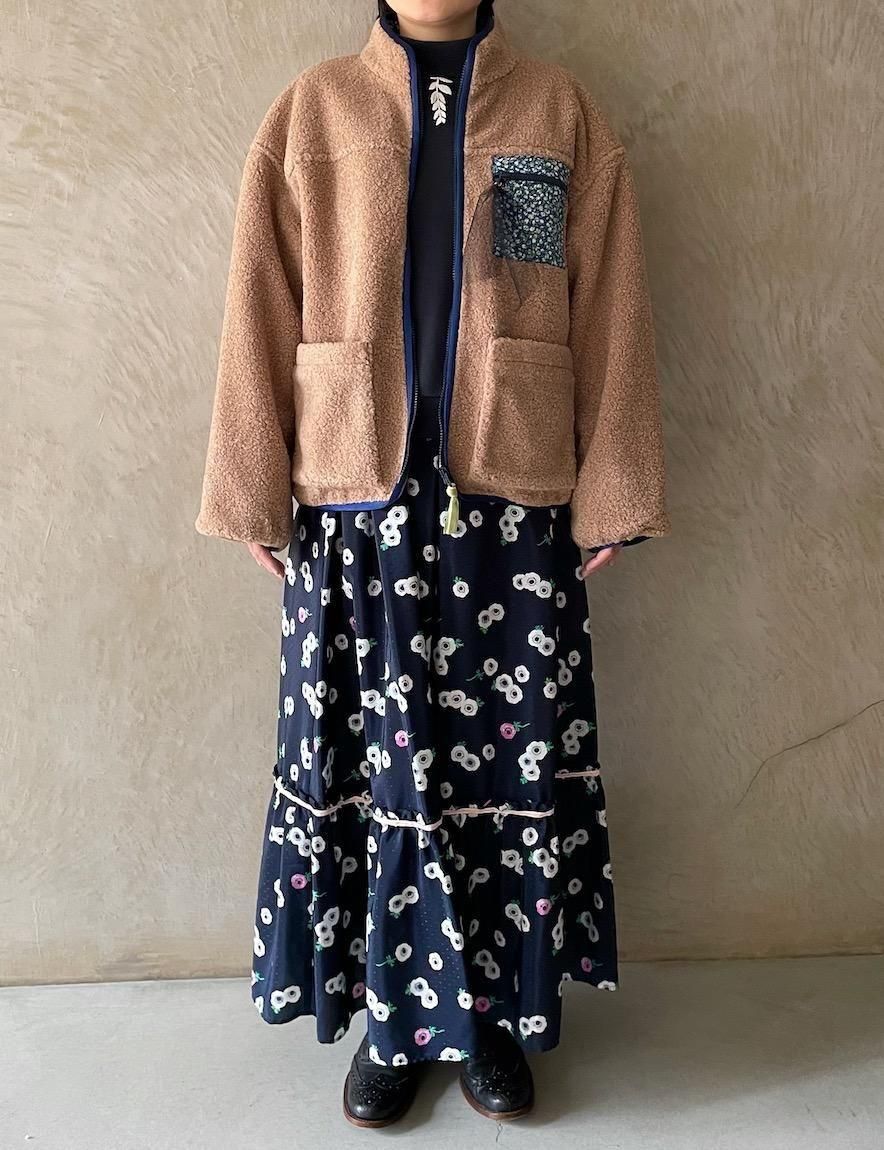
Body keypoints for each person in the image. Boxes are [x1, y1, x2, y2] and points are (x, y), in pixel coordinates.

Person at [195, 0, 670, 1128]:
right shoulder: (314, 112)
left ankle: (492, 1017)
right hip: (354, 501)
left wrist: (613, 487)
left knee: (503, 770)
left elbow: (598, 305)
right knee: (380, 770)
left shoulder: (553, 114)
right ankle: (390, 1022)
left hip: (510, 502)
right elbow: (259, 301)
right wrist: (253, 483)